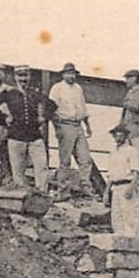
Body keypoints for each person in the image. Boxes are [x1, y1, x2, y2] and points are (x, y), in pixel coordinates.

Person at [1, 65, 55, 191]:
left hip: (34, 136)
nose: (23, 79)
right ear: (15, 77)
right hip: (16, 137)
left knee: (41, 166)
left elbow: (52, 105)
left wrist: (43, 117)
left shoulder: (35, 94)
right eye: (20, 76)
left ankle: (42, 194)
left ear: (29, 77)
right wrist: (5, 118)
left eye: (25, 76)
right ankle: (21, 197)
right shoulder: (9, 94)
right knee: (17, 170)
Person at [47, 62, 96, 195]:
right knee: (65, 160)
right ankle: (63, 189)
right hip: (65, 125)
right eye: (68, 73)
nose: (71, 76)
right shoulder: (57, 88)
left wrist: (88, 126)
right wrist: (57, 127)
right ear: (63, 75)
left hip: (78, 125)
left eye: (73, 73)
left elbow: (83, 108)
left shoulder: (78, 88)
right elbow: (50, 108)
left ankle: (85, 186)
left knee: (85, 158)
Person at [100, 121, 139, 236]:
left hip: (127, 185)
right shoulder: (113, 153)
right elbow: (111, 175)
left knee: (130, 215)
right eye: (116, 135)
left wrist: (131, 188)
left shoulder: (131, 151)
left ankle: (132, 239)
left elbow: (137, 172)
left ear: (125, 136)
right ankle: (120, 239)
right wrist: (106, 192)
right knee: (117, 216)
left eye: (121, 135)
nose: (118, 138)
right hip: (116, 188)